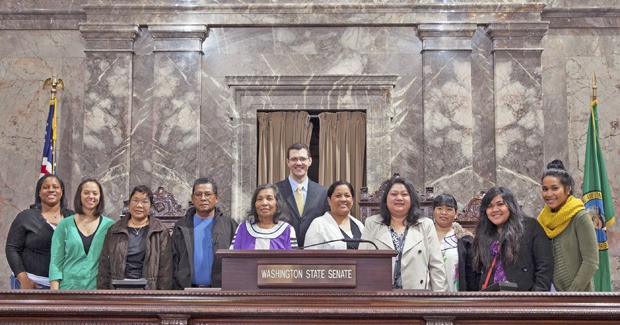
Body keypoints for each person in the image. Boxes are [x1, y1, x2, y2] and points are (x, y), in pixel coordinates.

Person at [359, 176, 447, 291]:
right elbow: (361, 262)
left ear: (411, 199)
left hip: (417, 296)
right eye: (394, 194)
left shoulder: (426, 225)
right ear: (386, 199)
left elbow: (437, 266)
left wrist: (439, 300)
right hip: (380, 296)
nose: (399, 198)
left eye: (404, 194)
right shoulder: (372, 223)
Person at [471, 187, 553, 291]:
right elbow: (476, 271)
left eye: (500, 204)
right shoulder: (482, 234)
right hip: (490, 299)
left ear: (510, 205)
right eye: (489, 206)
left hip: (523, 298)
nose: (495, 210)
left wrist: (536, 296)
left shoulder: (530, 226)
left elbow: (544, 265)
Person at [537, 159, 598, 291]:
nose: (549, 194)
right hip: (549, 295)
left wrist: (571, 295)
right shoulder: (542, 220)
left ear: (568, 189)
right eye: (544, 189)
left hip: (578, 297)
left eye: (555, 188)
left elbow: (591, 262)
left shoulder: (580, 217)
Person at [5, 174, 75, 289]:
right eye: (46, 187)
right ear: (39, 192)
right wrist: (24, 279)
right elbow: (12, 248)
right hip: (31, 284)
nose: (51, 190)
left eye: (55, 187)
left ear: (62, 191)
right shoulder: (25, 217)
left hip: (64, 286)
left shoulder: (73, 218)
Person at [97, 185, 172, 290]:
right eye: (135, 200)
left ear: (151, 207)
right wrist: (104, 293)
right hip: (118, 288)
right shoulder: (115, 230)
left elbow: (166, 269)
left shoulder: (160, 231)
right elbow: (104, 265)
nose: (139, 205)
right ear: (129, 204)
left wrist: (161, 298)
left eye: (145, 202)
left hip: (149, 290)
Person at [172, 177, 238, 289]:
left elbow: (237, 261)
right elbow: (173, 259)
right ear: (192, 199)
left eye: (208, 194)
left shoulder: (230, 225)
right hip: (186, 292)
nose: (203, 198)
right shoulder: (181, 225)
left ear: (216, 198)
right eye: (198, 194)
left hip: (221, 291)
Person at [49, 178, 114, 290]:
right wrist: (54, 295)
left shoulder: (110, 226)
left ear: (100, 197)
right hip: (67, 290)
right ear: (79, 196)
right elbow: (55, 262)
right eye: (86, 192)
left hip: (98, 291)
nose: (91, 196)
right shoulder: (64, 225)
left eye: (95, 193)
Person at [275, 142, 328, 247]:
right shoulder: (275, 191)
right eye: (294, 159)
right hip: (282, 252)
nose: (298, 163)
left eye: (303, 159)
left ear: (310, 161)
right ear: (287, 162)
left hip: (314, 253)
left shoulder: (323, 193)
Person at [231, 184, 298, 249]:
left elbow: (293, 259)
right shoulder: (243, 228)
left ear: (277, 203)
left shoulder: (287, 230)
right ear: (254, 204)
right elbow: (231, 257)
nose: (264, 203)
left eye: (269, 198)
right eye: (259, 199)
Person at [432, 194, 475, 292]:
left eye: (449, 209)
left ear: (455, 213)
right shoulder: (423, 236)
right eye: (439, 208)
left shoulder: (465, 240)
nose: (444, 213)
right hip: (426, 296)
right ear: (433, 212)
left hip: (455, 295)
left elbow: (471, 274)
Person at [304, 180, 364, 249]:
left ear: (352, 200)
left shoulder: (359, 225)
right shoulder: (318, 224)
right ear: (329, 201)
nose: (343, 199)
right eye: (338, 196)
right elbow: (310, 257)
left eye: (347, 196)